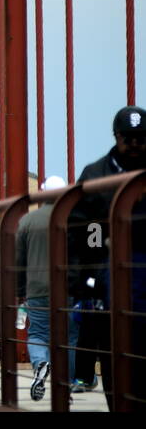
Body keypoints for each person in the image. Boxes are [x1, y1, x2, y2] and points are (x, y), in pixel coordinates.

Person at [71, 104, 146, 409]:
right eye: (128, 138)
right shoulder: (96, 174)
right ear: (116, 137)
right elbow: (83, 226)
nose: (135, 144)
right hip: (109, 273)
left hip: (141, 267)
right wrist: (88, 275)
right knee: (114, 350)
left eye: (141, 138)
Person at [17, 176, 72, 401]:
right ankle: (66, 387)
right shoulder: (76, 218)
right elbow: (92, 248)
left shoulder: (27, 221)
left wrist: (20, 290)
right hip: (68, 288)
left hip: (37, 287)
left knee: (38, 332)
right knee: (68, 337)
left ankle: (40, 363)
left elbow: (18, 260)